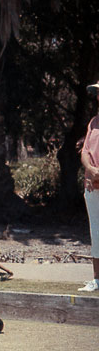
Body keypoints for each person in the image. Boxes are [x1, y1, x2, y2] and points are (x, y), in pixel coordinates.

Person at [79, 81, 99, 292]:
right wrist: (91, 171)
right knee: (96, 232)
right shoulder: (93, 122)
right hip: (93, 188)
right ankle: (97, 278)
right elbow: (85, 152)